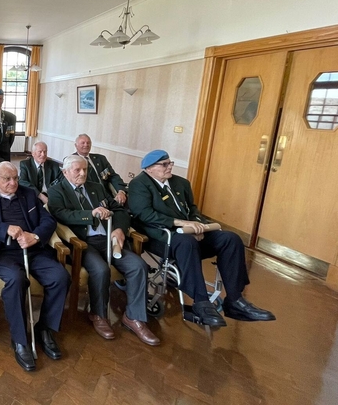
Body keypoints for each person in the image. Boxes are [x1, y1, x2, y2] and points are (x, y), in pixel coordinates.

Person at [129, 149, 275, 326]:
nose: (169, 167)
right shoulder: (140, 184)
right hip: (161, 237)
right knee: (186, 241)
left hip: (191, 234)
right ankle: (201, 302)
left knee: (231, 239)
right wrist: (181, 223)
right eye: (164, 164)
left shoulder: (181, 183)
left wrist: (199, 225)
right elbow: (143, 214)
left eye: (170, 163)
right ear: (149, 169)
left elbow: (193, 209)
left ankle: (235, 300)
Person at [47, 155, 159, 346]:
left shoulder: (96, 187)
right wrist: (90, 214)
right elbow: (61, 214)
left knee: (139, 265)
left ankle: (134, 317)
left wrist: (119, 229)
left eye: (85, 169)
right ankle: (98, 314)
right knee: (100, 269)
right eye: (77, 170)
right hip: (82, 243)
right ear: (65, 172)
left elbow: (120, 210)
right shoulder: (57, 190)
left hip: (109, 239)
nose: (82, 173)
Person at [0, 162, 70, 372]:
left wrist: (35, 236)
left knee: (60, 277)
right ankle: (20, 339)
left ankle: (44, 329)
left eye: (15, 178)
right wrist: (4, 228)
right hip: (3, 253)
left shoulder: (28, 194)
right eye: (7, 179)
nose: (13, 183)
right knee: (16, 280)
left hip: (33, 250)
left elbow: (48, 220)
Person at [73, 134, 128, 205]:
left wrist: (121, 191)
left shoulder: (101, 159)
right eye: (83, 143)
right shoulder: (72, 161)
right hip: (89, 198)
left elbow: (113, 176)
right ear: (76, 145)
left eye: (88, 142)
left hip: (108, 195)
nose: (86, 145)